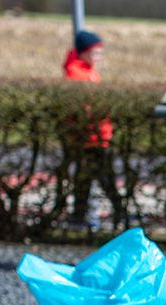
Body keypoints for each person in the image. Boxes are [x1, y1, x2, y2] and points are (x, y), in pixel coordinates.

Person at [63, 29, 120, 231]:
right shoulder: (77, 73)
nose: (99, 57)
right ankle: (118, 213)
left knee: (88, 178)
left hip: (97, 134)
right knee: (99, 177)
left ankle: (80, 216)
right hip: (90, 137)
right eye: (95, 52)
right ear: (83, 52)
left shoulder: (88, 71)